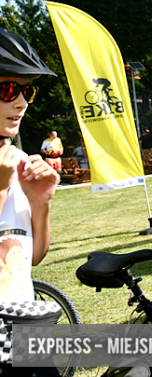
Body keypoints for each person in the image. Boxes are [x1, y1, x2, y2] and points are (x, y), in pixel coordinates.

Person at [0, 28, 60, 377]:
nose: (21, 102)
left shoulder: (19, 158)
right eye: (8, 89)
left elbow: (31, 258)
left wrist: (41, 205)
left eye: (27, 91)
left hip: (26, 332)